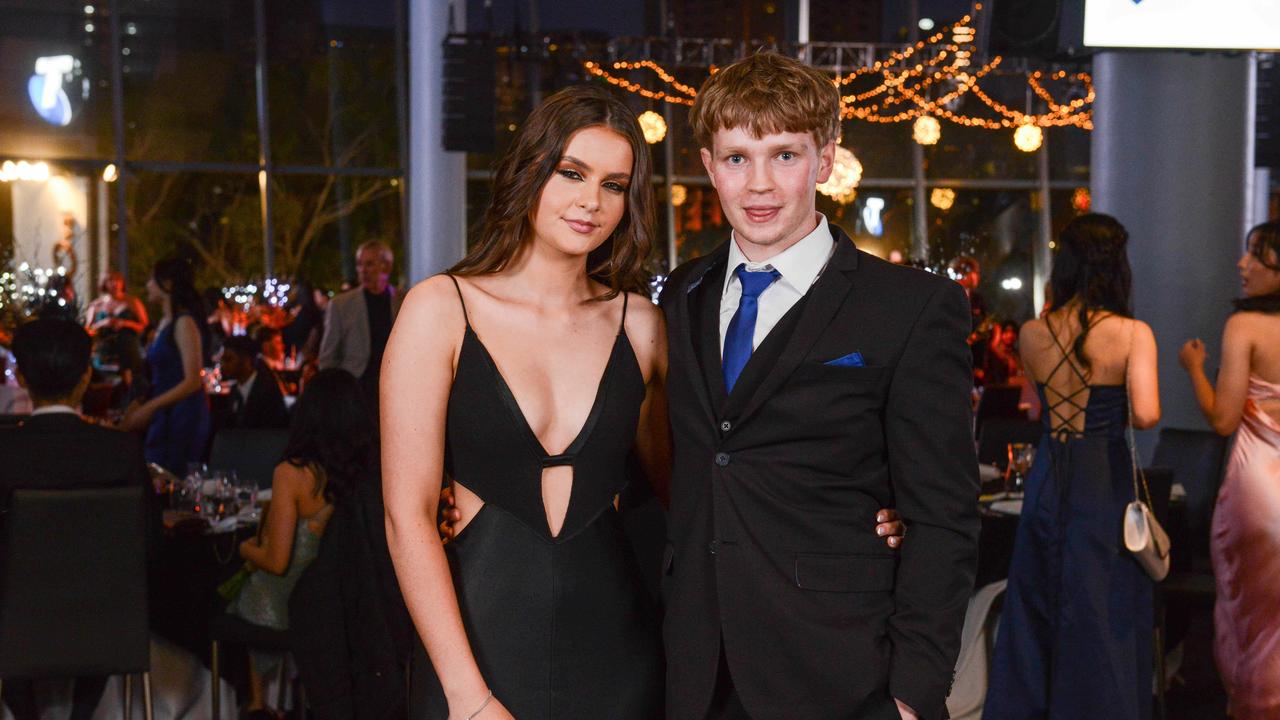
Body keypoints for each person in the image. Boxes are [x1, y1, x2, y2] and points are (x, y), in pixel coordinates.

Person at [383, 83, 908, 720]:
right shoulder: (440, 309)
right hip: (476, 647)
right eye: (571, 172)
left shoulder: (642, 324)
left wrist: (857, 516)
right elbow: (406, 518)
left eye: (613, 184)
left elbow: (706, 478)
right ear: (529, 172)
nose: (590, 201)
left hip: (618, 652)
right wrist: (468, 698)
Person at [659, 51, 978, 720]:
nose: (760, 185)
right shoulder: (681, 295)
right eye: (738, 158)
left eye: (785, 155)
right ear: (710, 166)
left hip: (843, 671)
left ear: (825, 161)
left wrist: (913, 693)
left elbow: (943, 515)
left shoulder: (911, 306)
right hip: (696, 668)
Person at [985, 213, 1161, 720]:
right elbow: (1147, 414)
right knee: (1101, 608)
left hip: (1048, 474)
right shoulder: (1131, 333)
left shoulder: (1033, 333)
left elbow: (1039, 410)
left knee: (1039, 602)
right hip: (1101, 476)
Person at [0, 318, 157, 720]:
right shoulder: (120, 451)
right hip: (107, 627)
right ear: (86, 376)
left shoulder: (5, 453)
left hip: (14, 632)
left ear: (20, 376)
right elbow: (149, 542)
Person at [1178, 220, 1280, 720]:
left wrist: (1195, 367)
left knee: (1252, 615)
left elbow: (1223, 420)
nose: (1243, 265)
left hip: (1259, 487)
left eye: (1257, 256)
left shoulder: (1244, 327)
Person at [227, 369, 367, 717]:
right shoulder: (363, 469)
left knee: (241, 596)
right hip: (347, 599)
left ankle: (258, 704)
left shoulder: (292, 473)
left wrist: (244, 549)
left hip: (292, 602)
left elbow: (277, 562)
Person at [120, 257, 212, 474]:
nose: (147, 285)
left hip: (182, 413)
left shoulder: (183, 322)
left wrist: (149, 408)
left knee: (173, 475)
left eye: (152, 279)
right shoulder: (165, 323)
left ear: (168, 284)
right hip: (164, 410)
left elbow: (192, 380)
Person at [318, 240, 400, 408]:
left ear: (386, 267)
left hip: (394, 389)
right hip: (355, 390)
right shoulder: (341, 305)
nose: (362, 271)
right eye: (359, 264)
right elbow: (327, 357)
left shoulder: (403, 301)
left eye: (369, 264)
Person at [83, 270, 148, 384]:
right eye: (110, 280)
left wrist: (125, 323)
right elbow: (87, 331)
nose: (115, 284)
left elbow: (145, 326)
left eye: (118, 280)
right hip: (104, 355)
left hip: (128, 352)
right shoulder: (96, 305)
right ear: (104, 283)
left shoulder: (132, 302)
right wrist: (103, 323)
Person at [217, 335, 289, 430]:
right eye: (222, 359)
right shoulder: (236, 389)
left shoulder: (267, 391)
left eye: (228, 359)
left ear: (246, 361)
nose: (222, 365)